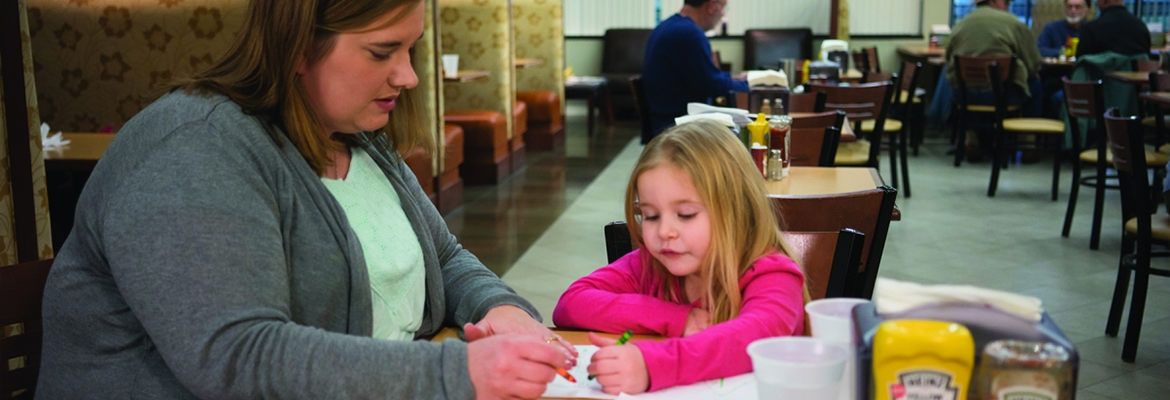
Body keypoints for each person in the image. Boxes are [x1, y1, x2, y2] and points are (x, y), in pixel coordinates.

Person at [35, 1, 577, 399]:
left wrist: (499, 307)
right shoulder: (194, 147)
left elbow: (446, 257)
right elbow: (236, 357)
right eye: (382, 52)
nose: (409, 75)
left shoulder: (354, 135)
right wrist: (454, 373)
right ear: (296, 48)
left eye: (410, 49)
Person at [552, 120, 808, 395]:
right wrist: (674, 318)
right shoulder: (651, 264)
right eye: (650, 215)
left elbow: (751, 340)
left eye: (685, 215)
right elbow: (571, 304)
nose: (664, 231)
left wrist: (652, 365)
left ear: (737, 211)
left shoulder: (775, 277)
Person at [945, 0, 1043, 158]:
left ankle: (972, 141)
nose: (1008, 7)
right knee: (1035, 85)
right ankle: (1028, 145)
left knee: (965, 88)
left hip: (965, 97)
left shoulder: (960, 24)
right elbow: (1033, 64)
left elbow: (948, 58)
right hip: (1004, 97)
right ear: (996, 1)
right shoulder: (1013, 23)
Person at [642, 0, 748, 144]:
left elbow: (705, 76)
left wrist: (733, 78)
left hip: (662, 119)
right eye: (723, 8)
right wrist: (748, 84)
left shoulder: (666, 26)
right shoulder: (689, 34)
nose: (723, 15)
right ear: (711, 6)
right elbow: (712, 85)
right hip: (679, 127)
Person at [1077, 0, 1151, 58]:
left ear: (1103, 1)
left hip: (1100, 73)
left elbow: (1081, 63)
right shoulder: (1141, 27)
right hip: (1135, 73)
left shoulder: (1092, 29)